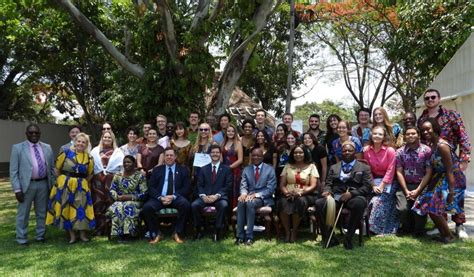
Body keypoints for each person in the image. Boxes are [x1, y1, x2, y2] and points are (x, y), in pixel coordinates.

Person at [417, 88, 471, 238]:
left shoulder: (451, 115)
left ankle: (459, 226)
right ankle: (441, 226)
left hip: (450, 160)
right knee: (438, 198)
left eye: (433, 97)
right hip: (434, 161)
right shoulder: (422, 118)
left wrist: (464, 158)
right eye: (427, 98)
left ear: (439, 99)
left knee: (456, 195)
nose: (430, 100)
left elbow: (463, 137)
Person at [412, 118, 466, 243]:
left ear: (435, 128)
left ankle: (449, 236)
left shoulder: (442, 146)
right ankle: (444, 234)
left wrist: (451, 193)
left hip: (452, 180)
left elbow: (450, 170)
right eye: (423, 130)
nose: (425, 132)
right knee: (426, 203)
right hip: (441, 178)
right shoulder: (432, 144)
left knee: (432, 205)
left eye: (428, 129)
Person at [315, 141, 373, 250]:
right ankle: (329, 237)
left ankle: (349, 237)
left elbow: (367, 187)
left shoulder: (364, 167)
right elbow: (328, 184)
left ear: (354, 152)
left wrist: (352, 194)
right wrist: (327, 191)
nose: (347, 152)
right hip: (336, 196)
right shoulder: (334, 167)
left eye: (350, 150)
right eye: (344, 150)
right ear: (341, 152)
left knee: (359, 204)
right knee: (319, 203)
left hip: (354, 196)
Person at [10, 123, 55, 245]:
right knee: (23, 214)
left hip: (44, 185)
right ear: (26, 134)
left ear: (40, 134)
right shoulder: (18, 148)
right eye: (31, 132)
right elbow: (13, 172)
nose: (34, 134)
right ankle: (21, 238)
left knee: (42, 212)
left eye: (36, 132)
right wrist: (17, 189)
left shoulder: (47, 147)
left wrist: (53, 185)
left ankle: (40, 236)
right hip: (26, 186)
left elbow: (51, 169)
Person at [46, 133, 94, 243]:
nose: (81, 144)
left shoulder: (89, 157)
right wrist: (63, 181)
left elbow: (90, 173)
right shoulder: (66, 153)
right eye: (79, 141)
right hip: (65, 185)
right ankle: (72, 236)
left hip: (81, 186)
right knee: (67, 209)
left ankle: (82, 235)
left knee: (81, 209)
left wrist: (82, 182)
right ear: (75, 142)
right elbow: (57, 168)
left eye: (83, 142)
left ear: (86, 144)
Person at [141, 147, 191, 244]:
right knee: (147, 208)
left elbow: (186, 188)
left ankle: (177, 232)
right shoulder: (157, 170)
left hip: (175, 197)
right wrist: (160, 197)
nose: (169, 157)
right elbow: (151, 187)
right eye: (167, 155)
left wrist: (173, 196)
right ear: (164, 157)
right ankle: (157, 233)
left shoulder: (183, 170)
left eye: (171, 155)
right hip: (160, 197)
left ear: (175, 157)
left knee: (186, 205)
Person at [235, 147, 277, 245]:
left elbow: (271, 189)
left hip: (263, 198)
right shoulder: (246, 169)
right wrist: (243, 194)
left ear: (262, 157)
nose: (255, 157)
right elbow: (243, 185)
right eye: (253, 155)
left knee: (250, 202)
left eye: (258, 155)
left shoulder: (270, 169)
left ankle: (249, 237)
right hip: (248, 196)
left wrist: (256, 195)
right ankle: (240, 236)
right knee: (241, 201)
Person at [395, 126, 432, 236]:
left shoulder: (426, 151)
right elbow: (399, 172)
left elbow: (429, 172)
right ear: (405, 137)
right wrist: (406, 190)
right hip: (404, 186)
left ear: (419, 135)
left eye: (413, 133)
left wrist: (418, 190)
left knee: (418, 211)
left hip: (421, 186)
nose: (410, 136)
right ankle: (406, 228)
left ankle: (419, 230)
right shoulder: (400, 152)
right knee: (402, 209)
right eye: (408, 134)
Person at [192, 145, 232, 241]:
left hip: (219, 197)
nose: (215, 154)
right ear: (210, 154)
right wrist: (203, 196)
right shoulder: (203, 169)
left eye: (217, 152)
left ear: (220, 154)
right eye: (213, 152)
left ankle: (217, 231)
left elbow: (228, 186)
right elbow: (199, 185)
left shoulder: (226, 169)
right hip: (205, 197)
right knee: (194, 205)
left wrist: (217, 195)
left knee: (223, 205)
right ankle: (199, 230)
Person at [278, 145, 318, 242]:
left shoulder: (312, 166)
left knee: (299, 202)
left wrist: (300, 193)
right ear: (292, 154)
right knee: (282, 203)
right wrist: (287, 193)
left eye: (300, 152)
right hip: (288, 194)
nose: (298, 154)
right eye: (295, 153)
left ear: (305, 154)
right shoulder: (287, 166)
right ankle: (287, 231)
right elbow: (282, 184)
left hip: (306, 194)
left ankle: (295, 231)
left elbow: (313, 185)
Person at [365, 126, 399, 235]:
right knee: (368, 200)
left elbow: (391, 169)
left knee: (378, 201)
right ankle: (366, 227)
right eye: (375, 133)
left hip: (389, 182)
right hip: (374, 181)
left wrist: (382, 186)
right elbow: (367, 169)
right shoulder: (366, 150)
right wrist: (373, 185)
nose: (377, 136)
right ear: (371, 135)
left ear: (384, 136)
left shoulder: (390, 151)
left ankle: (380, 229)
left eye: (380, 134)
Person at [90, 130, 124, 235]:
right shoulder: (95, 151)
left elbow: (122, 167)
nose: (107, 139)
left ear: (112, 139)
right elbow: (91, 165)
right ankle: (99, 229)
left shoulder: (118, 151)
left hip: (112, 180)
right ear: (102, 138)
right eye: (105, 137)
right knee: (98, 204)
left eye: (109, 137)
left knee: (111, 203)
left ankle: (112, 229)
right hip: (97, 181)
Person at [106, 155, 147, 240]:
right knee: (116, 207)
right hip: (120, 200)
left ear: (134, 164)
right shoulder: (118, 175)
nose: (126, 164)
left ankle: (129, 234)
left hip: (135, 201)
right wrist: (118, 197)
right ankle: (118, 234)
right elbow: (112, 189)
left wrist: (129, 197)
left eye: (128, 162)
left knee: (128, 206)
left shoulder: (139, 176)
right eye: (124, 162)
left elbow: (144, 193)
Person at [221, 124, 243, 209]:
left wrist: (229, 167)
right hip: (223, 171)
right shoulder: (223, 143)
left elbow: (240, 160)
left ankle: (234, 214)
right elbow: (221, 158)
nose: (230, 133)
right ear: (226, 132)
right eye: (229, 131)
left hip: (234, 171)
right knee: (225, 190)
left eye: (232, 131)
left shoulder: (238, 143)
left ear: (235, 132)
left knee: (234, 191)